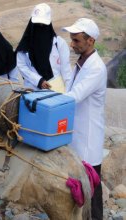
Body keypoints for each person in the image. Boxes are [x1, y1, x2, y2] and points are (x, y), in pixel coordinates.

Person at [62, 18, 107, 219]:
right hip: (76, 135)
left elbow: (75, 95)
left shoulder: (96, 68)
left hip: (88, 139)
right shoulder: (81, 62)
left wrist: (48, 98)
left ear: (91, 41)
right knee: (79, 188)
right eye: (71, 40)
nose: (72, 44)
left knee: (92, 192)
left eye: (77, 40)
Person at [16, 3, 71, 90]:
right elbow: (22, 66)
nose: (40, 28)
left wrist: (69, 94)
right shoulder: (24, 46)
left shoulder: (59, 43)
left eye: (43, 25)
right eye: (37, 25)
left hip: (56, 90)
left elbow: (66, 71)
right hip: (33, 91)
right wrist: (38, 81)